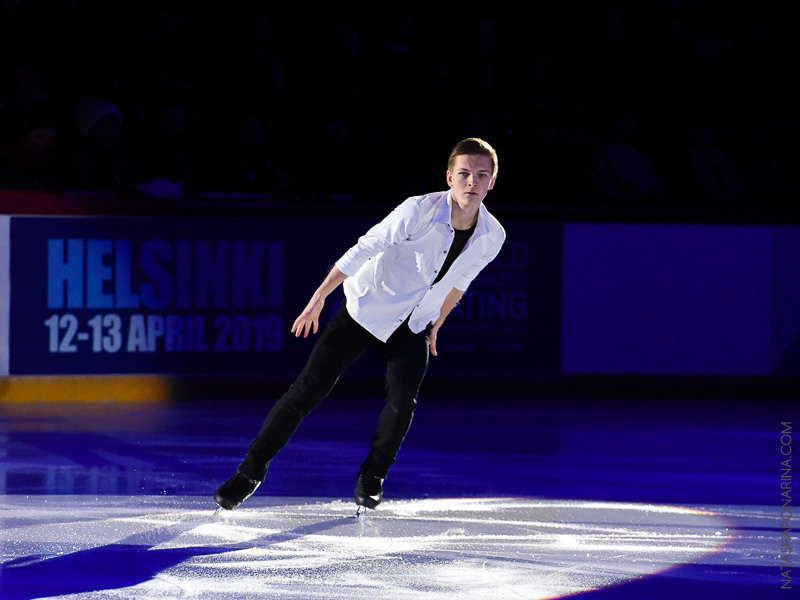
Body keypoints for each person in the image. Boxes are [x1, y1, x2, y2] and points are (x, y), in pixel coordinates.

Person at [214, 138, 506, 510]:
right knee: (306, 391)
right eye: (464, 173)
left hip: (413, 323)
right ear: (450, 177)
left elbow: (461, 281)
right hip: (366, 308)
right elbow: (365, 247)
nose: (471, 182)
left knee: (403, 403)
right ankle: (248, 473)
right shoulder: (416, 211)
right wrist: (320, 296)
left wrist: (437, 324)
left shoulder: (492, 236)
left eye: (481, 175)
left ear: (492, 181)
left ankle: (372, 477)